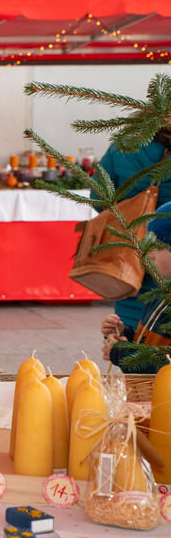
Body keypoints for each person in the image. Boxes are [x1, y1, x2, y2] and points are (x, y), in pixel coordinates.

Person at [97, 127, 171, 336]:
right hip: (167, 241)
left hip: (128, 245)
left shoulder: (125, 144)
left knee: (131, 301)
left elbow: (99, 193)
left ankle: (130, 343)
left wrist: (127, 215)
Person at [102, 199, 171, 373]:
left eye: (157, 246)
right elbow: (153, 342)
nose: (150, 255)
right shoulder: (160, 293)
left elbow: (164, 364)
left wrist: (122, 353)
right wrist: (126, 334)